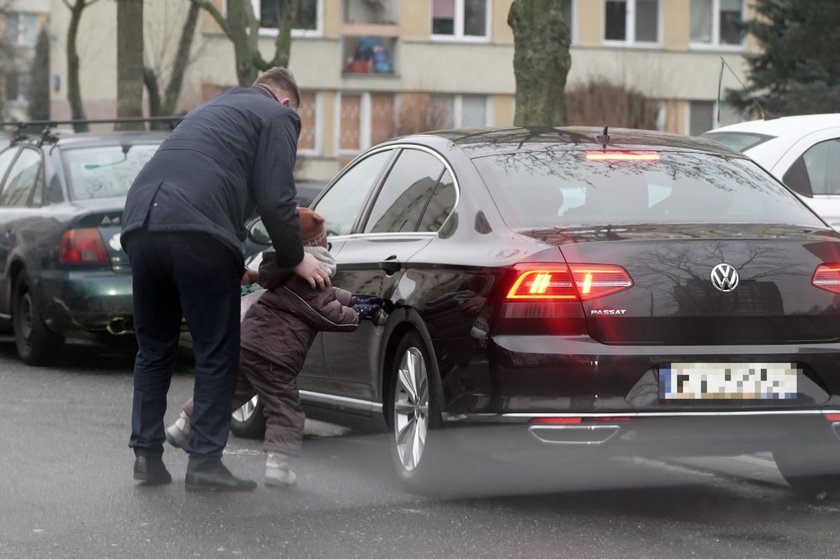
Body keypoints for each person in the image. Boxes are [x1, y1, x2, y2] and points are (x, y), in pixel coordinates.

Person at [121, 67, 331, 492]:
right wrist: (296, 259)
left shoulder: (212, 109)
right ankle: (205, 463)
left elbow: (206, 176)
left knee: (154, 349)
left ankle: (146, 455)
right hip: (197, 230)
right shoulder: (278, 116)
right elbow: (277, 198)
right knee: (218, 349)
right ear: (287, 102)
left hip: (142, 223)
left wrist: (231, 261)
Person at [165, 208, 385, 487]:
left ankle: (184, 424)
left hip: (248, 343)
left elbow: (326, 295)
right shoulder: (311, 277)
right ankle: (277, 466)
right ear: (318, 244)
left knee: (229, 392)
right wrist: (359, 314)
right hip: (275, 355)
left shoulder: (282, 270)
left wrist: (352, 299)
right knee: (285, 408)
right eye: (325, 236)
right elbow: (325, 312)